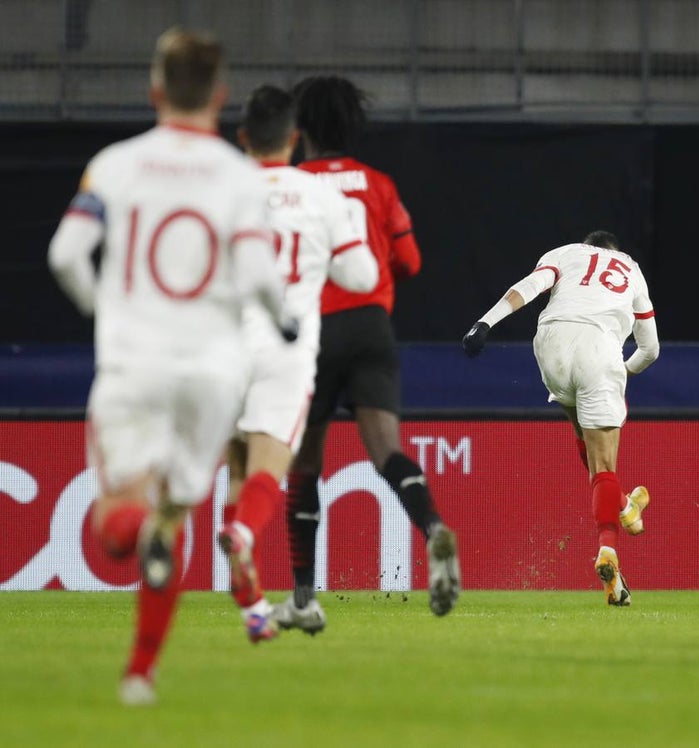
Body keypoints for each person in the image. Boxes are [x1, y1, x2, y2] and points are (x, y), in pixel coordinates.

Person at [47, 28, 291, 705]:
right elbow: (260, 274)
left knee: (116, 526)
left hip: (135, 362)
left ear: (155, 91)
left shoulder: (116, 164)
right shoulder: (239, 178)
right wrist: (287, 318)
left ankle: (140, 643)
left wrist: (107, 315)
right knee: (177, 514)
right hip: (213, 372)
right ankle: (139, 672)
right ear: (220, 97)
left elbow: (66, 255)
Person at [279, 75, 460, 627]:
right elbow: (411, 262)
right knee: (386, 450)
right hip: (371, 327)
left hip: (313, 330)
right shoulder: (379, 185)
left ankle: (305, 597)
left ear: (301, 129)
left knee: (305, 461)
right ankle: (433, 529)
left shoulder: (291, 185)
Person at [218, 85, 379, 643]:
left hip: (221, 348)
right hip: (285, 352)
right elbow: (362, 277)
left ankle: (253, 608)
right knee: (268, 470)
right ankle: (240, 532)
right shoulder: (319, 196)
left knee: (236, 469)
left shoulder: (220, 193)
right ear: (294, 138)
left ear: (242, 138)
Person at [462, 231, 659, 606]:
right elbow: (650, 349)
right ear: (614, 252)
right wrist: (619, 373)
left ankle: (625, 506)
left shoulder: (565, 253)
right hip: (599, 349)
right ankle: (609, 551)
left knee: (586, 442)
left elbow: (532, 286)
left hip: (550, 343)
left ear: (588, 245)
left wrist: (485, 323)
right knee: (604, 464)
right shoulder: (631, 269)